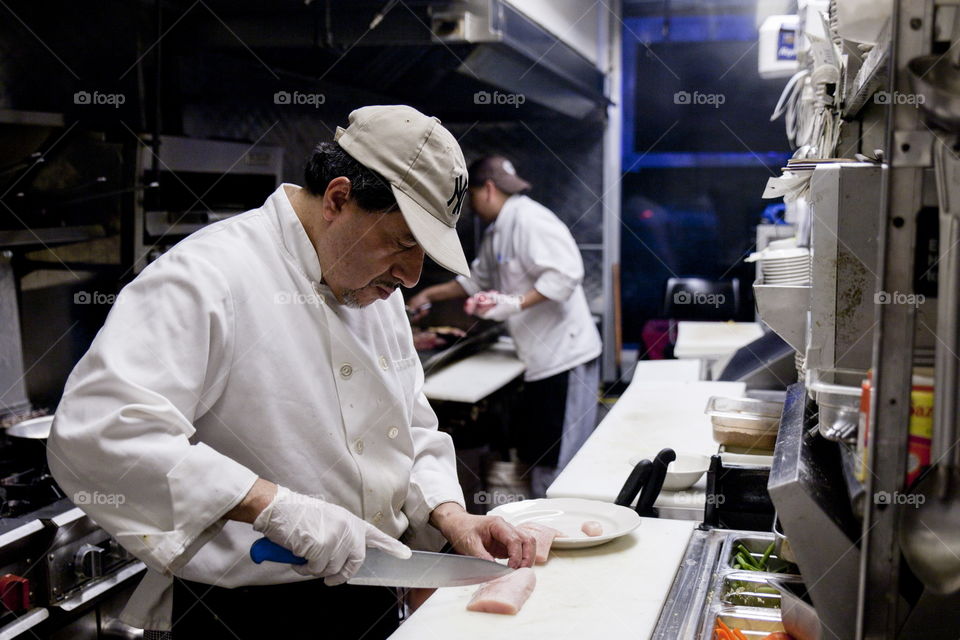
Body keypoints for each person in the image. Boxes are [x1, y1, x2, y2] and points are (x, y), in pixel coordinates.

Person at [47, 106, 536, 639]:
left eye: (425, 254)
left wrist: (450, 515)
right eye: (400, 244)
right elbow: (99, 433)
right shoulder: (206, 276)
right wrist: (273, 507)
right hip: (247, 614)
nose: (411, 275)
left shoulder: (376, 289)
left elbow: (410, 427)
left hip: (368, 592)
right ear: (338, 199)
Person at [408, 156, 602, 498]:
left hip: (564, 356)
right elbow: (476, 280)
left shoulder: (531, 221)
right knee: (544, 451)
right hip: (539, 357)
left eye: (469, 198)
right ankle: (548, 518)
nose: (468, 208)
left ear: (489, 190)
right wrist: (428, 294)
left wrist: (512, 303)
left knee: (560, 458)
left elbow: (566, 274)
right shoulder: (499, 231)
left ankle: (564, 523)